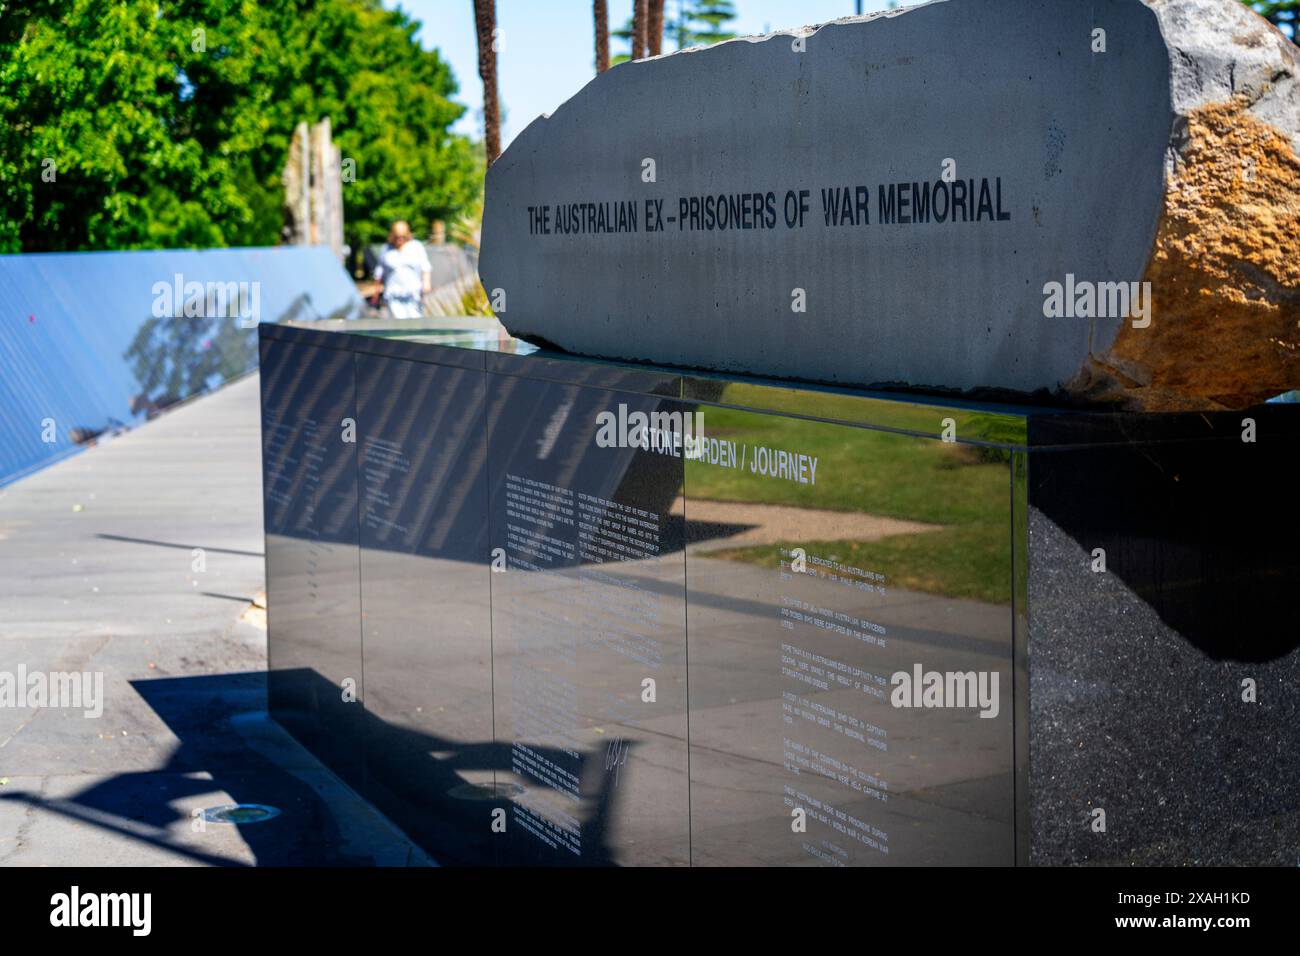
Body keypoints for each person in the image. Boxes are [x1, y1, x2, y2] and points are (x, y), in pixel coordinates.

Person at [373, 221, 432, 319]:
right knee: (398, 322)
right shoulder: (386, 249)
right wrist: (376, 291)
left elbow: (425, 266)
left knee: (414, 320)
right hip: (393, 294)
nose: (399, 239)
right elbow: (379, 271)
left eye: (402, 236)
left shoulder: (416, 246)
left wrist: (426, 282)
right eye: (397, 237)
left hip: (413, 294)